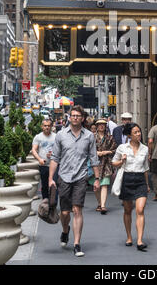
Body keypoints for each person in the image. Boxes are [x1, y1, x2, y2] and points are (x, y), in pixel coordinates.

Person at [49, 105, 100, 257]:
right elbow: (55, 158)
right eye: (73, 115)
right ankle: (65, 231)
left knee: (77, 210)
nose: (75, 118)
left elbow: (94, 158)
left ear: (83, 118)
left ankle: (77, 244)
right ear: (69, 117)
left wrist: (97, 179)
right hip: (64, 176)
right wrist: (50, 178)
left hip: (80, 177)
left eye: (78, 116)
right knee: (65, 213)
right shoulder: (61, 135)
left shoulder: (89, 136)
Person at [112, 123, 150, 251]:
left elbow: (145, 168)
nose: (138, 134)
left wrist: (147, 184)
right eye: (135, 132)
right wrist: (122, 161)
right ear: (129, 135)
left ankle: (139, 240)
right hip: (127, 179)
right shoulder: (122, 148)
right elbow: (114, 163)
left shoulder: (145, 148)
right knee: (128, 210)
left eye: (139, 132)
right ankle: (129, 237)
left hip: (140, 180)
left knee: (140, 209)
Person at [89, 118, 117, 214]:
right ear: (96, 126)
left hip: (106, 163)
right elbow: (87, 149)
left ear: (106, 126)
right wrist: (96, 153)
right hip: (95, 164)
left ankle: (103, 206)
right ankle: (100, 203)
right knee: (96, 186)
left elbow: (114, 149)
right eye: (100, 124)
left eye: (103, 124)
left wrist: (107, 152)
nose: (101, 126)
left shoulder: (110, 137)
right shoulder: (92, 137)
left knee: (104, 184)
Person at [32, 118, 57, 200]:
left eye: (49, 126)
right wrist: (39, 159)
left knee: (54, 185)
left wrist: (53, 154)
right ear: (42, 126)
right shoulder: (38, 137)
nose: (47, 127)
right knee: (45, 185)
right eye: (45, 126)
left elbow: (60, 150)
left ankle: (53, 204)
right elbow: (34, 150)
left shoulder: (56, 137)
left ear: (51, 126)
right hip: (44, 165)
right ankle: (45, 203)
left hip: (54, 165)